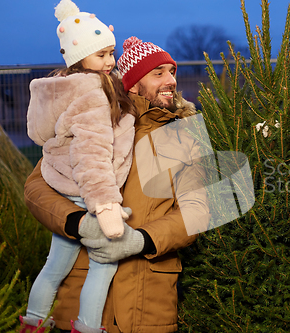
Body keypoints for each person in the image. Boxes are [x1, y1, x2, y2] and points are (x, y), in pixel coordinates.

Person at [24, 34, 210, 332]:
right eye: (158, 73)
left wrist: (141, 240)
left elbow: (198, 211)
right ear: (133, 83)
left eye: (173, 72)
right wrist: (78, 224)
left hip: (146, 306)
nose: (171, 80)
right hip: (77, 304)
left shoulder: (187, 136)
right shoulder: (96, 119)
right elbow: (37, 188)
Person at [20, 0, 135, 332]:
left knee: (55, 265)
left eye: (111, 53)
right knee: (104, 262)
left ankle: (33, 322)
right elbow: (92, 152)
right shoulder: (93, 93)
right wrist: (105, 205)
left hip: (64, 186)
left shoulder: (59, 87)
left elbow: (38, 133)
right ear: (79, 57)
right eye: (101, 55)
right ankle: (86, 327)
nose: (110, 62)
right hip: (90, 192)